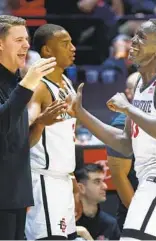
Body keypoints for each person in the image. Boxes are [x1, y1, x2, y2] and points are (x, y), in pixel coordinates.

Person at [67, 18, 156, 240]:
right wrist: (81, 114)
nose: (132, 41)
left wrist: (128, 108)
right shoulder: (139, 85)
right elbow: (125, 142)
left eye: (142, 38)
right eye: (134, 36)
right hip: (152, 177)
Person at [0, 15, 56, 239]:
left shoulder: (16, 80)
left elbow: (18, 141)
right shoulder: (23, 84)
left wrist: (40, 123)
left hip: (16, 194)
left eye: (27, 39)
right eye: (18, 40)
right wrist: (28, 84)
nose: (26, 45)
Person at [25, 23, 81, 240]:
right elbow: (22, 136)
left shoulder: (67, 82)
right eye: (65, 44)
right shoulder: (38, 87)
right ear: (47, 50)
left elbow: (65, 137)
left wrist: (72, 177)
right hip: (44, 180)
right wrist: (39, 122)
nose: (73, 48)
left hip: (64, 178)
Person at [106, 72, 139, 231]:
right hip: (136, 212)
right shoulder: (121, 123)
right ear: (129, 93)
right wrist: (140, 215)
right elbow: (119, 177)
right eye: (139, 88)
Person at [75, 163, 121, 240]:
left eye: (103, 181)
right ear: (81, 188)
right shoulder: (67, 223)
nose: (105, 186)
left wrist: (85, 235)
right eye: (97, 181)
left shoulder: (110, 224)